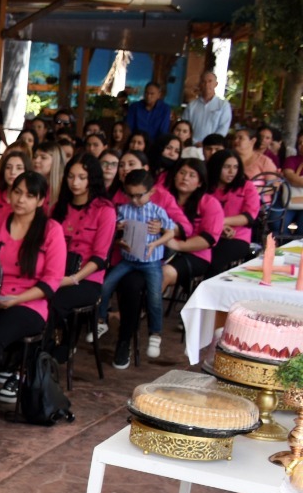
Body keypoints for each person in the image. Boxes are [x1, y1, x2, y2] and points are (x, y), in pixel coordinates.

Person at [0, 173, 64, 401]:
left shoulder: (51, 230)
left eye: (29, 195)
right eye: (17, 192)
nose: (20, 199)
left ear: (40, 200)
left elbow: (52, 280)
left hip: (29, 303)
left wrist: (16, 300)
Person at [94, 170, 178, 368]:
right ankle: (101, 320)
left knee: (155, 296)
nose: (135, 200)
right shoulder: (124, 209)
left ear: (151, 192)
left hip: (151, 261)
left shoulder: (157, 211)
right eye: (131, 195)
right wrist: (119, 233)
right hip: (129, 259)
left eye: (140, 195)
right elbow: (114, 229)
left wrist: (156, 244)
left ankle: (155, 333)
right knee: (105, 285)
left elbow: (171, 232)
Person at [49, 157, 115, 362]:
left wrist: (72, 279)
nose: (75, 182)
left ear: (92, 179)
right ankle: (32, 355)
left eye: (81, 177)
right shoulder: (59, 207)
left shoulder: (105, 210)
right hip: (55, 273)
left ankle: (39, 358)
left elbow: (100, 257)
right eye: (70, 176)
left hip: (86, 280)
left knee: (51, 303)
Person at [159, 159, 224, 300]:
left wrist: (177, 245)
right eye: (182, 173)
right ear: (175, 176)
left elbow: (208, 239)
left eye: (192, 175)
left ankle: (145, 311)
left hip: (196, 255)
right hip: (161, 248)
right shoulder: (164, 198)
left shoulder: (210, 203)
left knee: (164, 273)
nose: (185, 178)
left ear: (200, 182)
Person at [208, 149, 260, 272]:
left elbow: (249, 217)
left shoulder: (247, 187)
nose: (232, 172)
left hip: (237, 237)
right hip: (207, 233)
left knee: (215, 261)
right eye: (226, 167)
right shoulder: (206, 187)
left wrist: (220, 222)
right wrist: (218, 226)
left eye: (235, 167)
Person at [186, 71, 231, 143]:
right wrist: (193, 142)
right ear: (200, 84)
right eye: (204, 82)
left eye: (210, 81)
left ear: (216, 84)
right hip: (192, 145)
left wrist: (209, 143)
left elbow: (223, 128)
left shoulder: (223, 105)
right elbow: (185, 125)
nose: (207, 84)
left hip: (212, 146)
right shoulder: (192, 105)